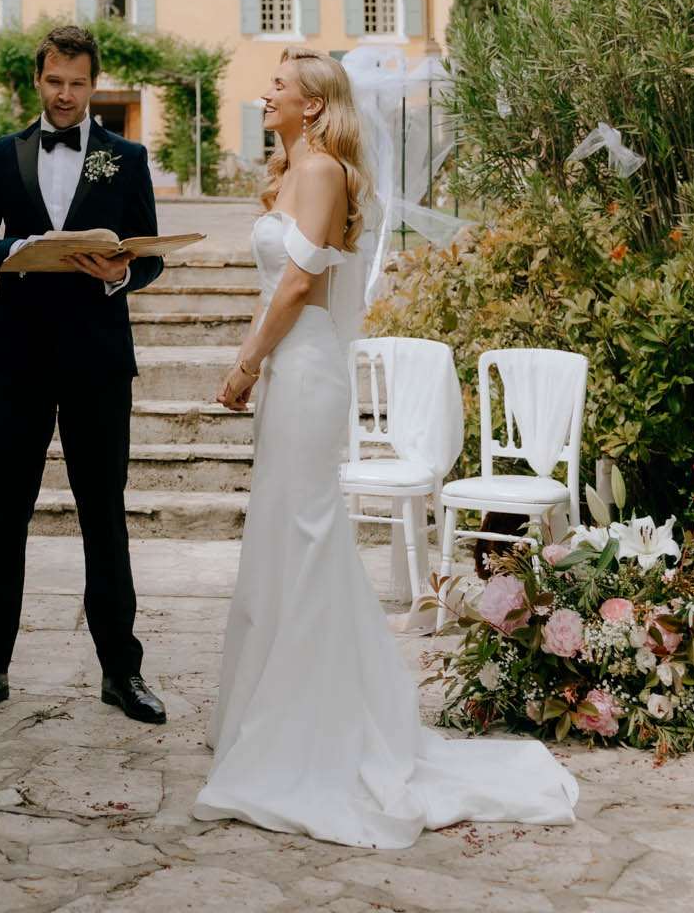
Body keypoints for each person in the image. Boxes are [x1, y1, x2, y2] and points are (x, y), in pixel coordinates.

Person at [194, 48, 579, 848]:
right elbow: (284, 288)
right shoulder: (297, 169)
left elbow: (298, 286)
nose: (265, 94)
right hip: (289, 371)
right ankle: (272, 716)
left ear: (314, 103)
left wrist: (242, 364)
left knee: (303, 538)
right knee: (283, 537)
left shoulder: (324, 171)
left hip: (301, 372)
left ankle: (311, 732)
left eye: (279, 86)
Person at [0, 24, 166, 726]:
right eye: (54, 82)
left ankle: (121, 673)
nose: (65, 95)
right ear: (36, 82)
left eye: (77, 83)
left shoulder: (124, 157)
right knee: (4, 511)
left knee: (103, 514)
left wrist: (123, 270)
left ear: (92, 84)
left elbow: (151, 254)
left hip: (99, 361)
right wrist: (23, 249)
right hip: (16, 359)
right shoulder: (4, 154)